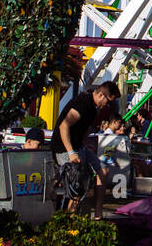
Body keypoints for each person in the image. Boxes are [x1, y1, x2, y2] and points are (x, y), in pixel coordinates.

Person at [51, 80, 120, 218]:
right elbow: (63, 126)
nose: (108, 106)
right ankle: (69, 222)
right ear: (101, 95)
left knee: (103, 171)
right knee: (77, 185)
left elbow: (85, 130)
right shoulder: (83, 103)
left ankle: (98, 213)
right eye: (108, 102)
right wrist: (71, 153)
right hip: (64, 147)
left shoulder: (94, 109)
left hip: (78, 146)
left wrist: (84, 149)